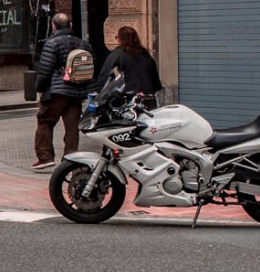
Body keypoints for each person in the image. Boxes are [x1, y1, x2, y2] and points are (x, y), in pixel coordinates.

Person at [31, 12, 95, 169]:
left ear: (53, 26)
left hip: (56, 92)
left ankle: (45, 157)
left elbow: (45, 70)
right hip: (77, 92)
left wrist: (39, 89)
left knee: (45, 121)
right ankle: (70, 161)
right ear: (70, 25)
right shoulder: (83, 44)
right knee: (72, 127)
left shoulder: (52, 43)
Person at [96, 26, 162, 106]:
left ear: (121, 39)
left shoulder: (117, 54)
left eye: (117, 37)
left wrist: (98, 91)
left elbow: (104, 77)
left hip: (130, 102)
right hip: (148, 100)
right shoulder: (145, 54)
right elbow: (156, 82)